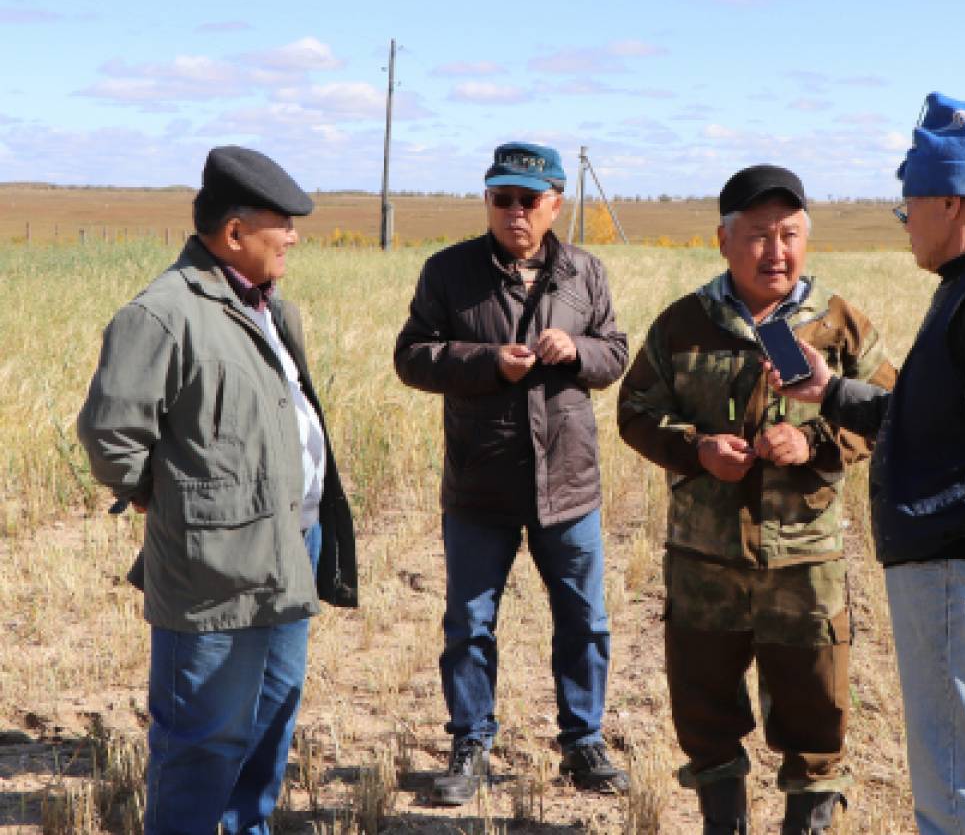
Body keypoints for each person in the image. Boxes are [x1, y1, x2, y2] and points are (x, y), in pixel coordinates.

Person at [768, 93, 965, 835]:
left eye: (907, 204)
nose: (905, 221)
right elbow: (934, 429)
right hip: (959, 573)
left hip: (958, 576)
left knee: (960, 800)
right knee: (958, 784)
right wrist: (830, 391)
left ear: (951, 201)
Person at [76, 145, 358, 834]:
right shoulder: (163, 313)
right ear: (235, 233)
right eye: (281, 223)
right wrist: (166, 497)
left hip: (291, 546)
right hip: (212, 566)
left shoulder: (270, 309)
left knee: (267, 727)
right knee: (202, 740)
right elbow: (110, 434)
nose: (293, 236)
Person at [618, 164, 896, 835]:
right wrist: (695, 448)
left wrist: (817, 444)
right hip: (704, 560)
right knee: (704, 707)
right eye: (758, 235)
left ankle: (808, 823)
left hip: (805, 561)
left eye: (790, 234)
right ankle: (725, 821)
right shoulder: (683, 323)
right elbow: (634, 410)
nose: (775, 250)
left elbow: (893, 415)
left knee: (816, 710)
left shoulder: (840, 325)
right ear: (723, 239)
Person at [394, 142, 629, 805]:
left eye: (529, 200)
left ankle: (584, 741)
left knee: (584, 620)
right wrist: (489, 362)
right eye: (502, 199)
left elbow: (614, 353)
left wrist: (576, 349)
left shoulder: (585, 272)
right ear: (487, 201)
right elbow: (412, 356)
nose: (515, 212)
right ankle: (470, 741)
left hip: (569, 485)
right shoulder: (449, 272)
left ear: (556, 202)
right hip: (480, 485)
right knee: (469, 624)